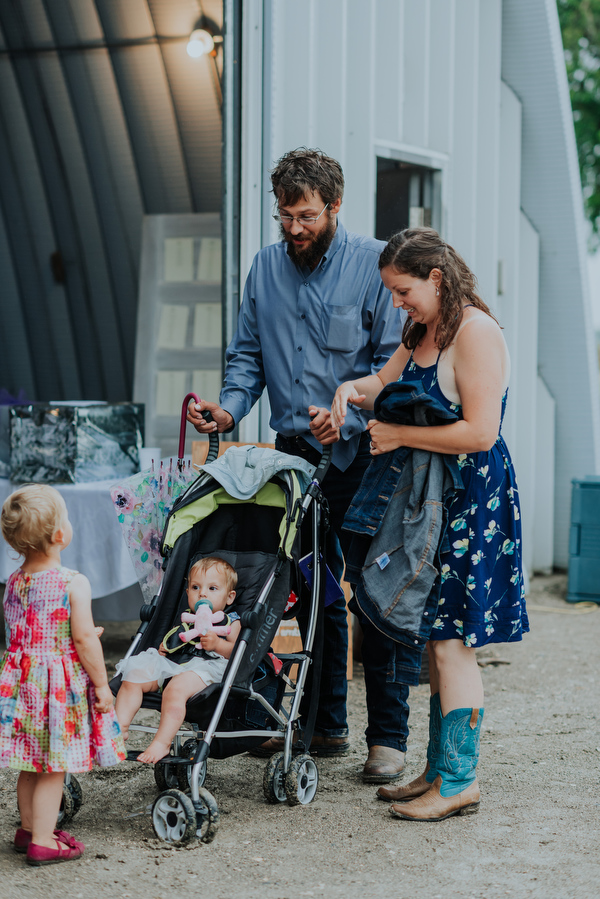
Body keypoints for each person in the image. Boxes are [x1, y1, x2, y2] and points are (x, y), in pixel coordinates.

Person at [187, 147, 409, 782]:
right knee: (307, 587)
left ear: (334, 207)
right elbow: (247, 357)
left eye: (306, 216)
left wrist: (352, 414)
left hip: (366, 457)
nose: (293, 228)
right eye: (284, 215)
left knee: (373, 593)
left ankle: (387, 738)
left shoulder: (375, 266)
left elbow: (394, 368)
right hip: (293, 458)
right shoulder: (263, 269)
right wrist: (228, 413)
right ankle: (321, 723)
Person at [331, 227, 528, 821]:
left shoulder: (476, 333)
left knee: (451, 640)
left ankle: (461, 780)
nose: (397, 303)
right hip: (430, 505)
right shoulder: (421, 330)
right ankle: (439, 770)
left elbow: (480, 432)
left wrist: (397, 434)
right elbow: (382, 384)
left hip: (472, 502)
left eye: (403, 290)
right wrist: (349, 391)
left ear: (436, 278)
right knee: (436, 631)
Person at [0, 485, 125, 866]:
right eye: (67, 518)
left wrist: (69, 636)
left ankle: (26, 828)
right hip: (54, 686)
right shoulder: (73, 581)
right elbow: (84, 639)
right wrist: (102, 685)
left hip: (22, 684)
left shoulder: (14, 581)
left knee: (29, 761)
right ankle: (42, 840)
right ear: (59, 535)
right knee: (54, 764)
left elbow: (26, 629)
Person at [115, 557, 240, 764]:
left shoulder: (231, 621)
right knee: (134, 675)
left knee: (175, 689)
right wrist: (166, 648)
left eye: (212, 588)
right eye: (195, 587)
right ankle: (120, 728)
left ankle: (162, 743)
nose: (202, 593)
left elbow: (237, 651)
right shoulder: (186, 618)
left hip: (207, 667)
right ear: (187, 591)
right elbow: (176, 639)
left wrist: (218, 644)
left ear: (229, 597)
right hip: (176, 663)